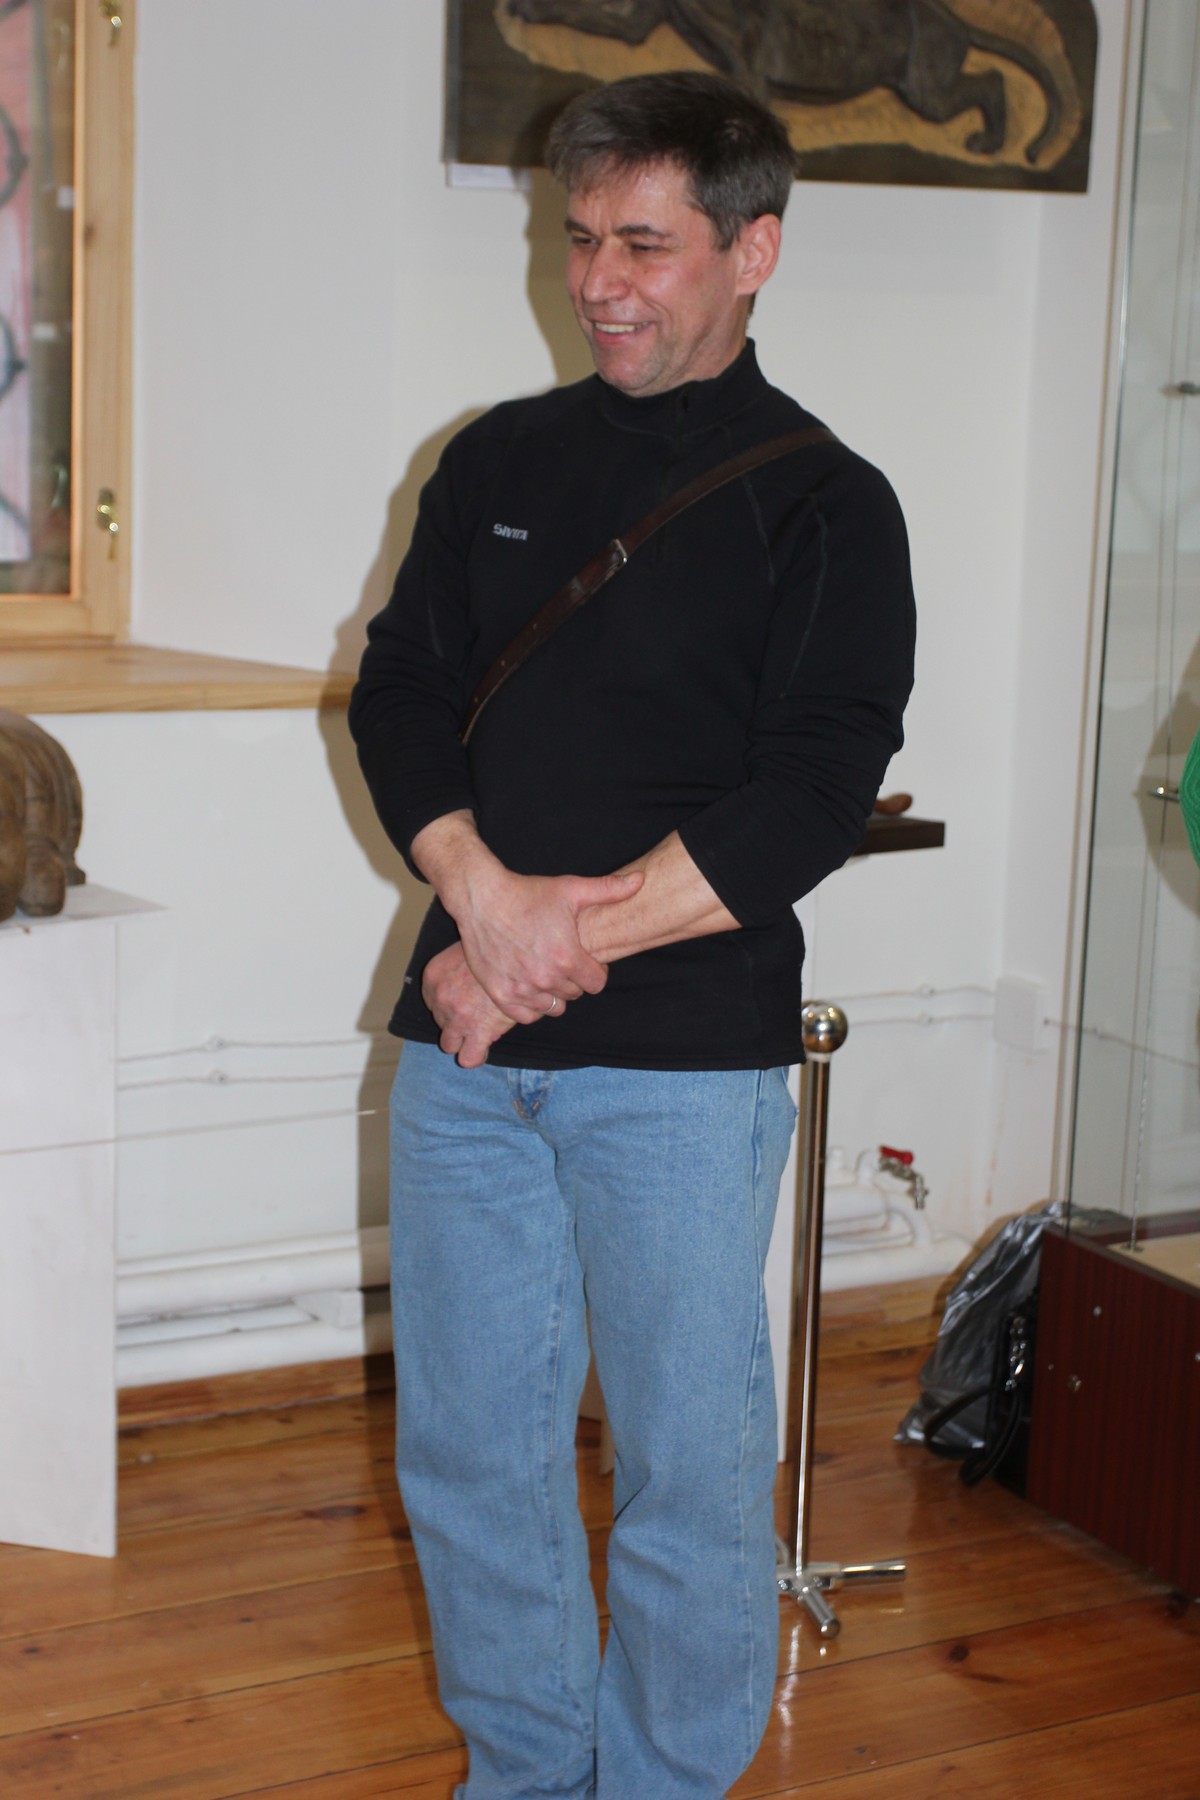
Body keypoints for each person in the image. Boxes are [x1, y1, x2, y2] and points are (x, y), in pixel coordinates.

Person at [349, 70, 915, 1800]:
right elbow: (399, 695)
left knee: (687, 1469)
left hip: (677, 1071)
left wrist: (538, 948)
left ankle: (665, 1785)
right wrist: (479, 896)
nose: (597, 279)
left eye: (644, 245)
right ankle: (527, 1775)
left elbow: (810, 796)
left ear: (753, 251)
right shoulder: (496, 459)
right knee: (470, 1457)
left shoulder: (829, 502)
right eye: (581, 235)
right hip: (466, 1049)